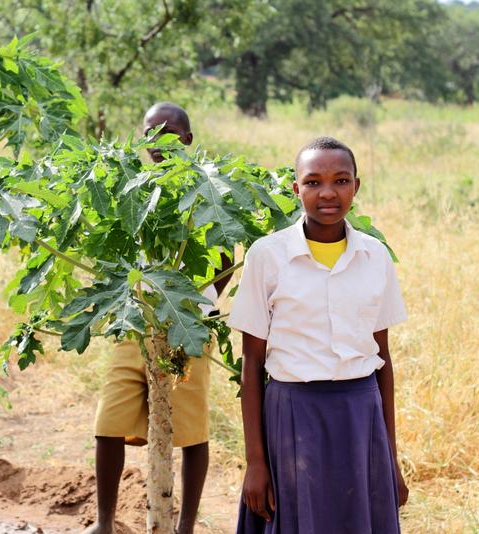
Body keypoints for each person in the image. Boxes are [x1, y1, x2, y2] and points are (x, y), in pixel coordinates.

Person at [231, 137, 409, 533]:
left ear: (356, 187)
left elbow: (383, 360)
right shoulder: (267, 256)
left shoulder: (374, 256)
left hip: (360, 415)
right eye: (313, 182)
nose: (327, 193)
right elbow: (253, 365)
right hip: (294, 414)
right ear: (296, 189)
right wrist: (256, 463)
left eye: (341, 180)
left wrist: (389, 460)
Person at [82, 102, 232, 534]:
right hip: (136, 321)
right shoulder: (133, 186)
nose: (157, 142)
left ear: (187, 139)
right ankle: (105, 523)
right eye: (149, 133)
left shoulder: (208, 187)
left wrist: (190, 302)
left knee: (191, 429)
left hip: (187, 326)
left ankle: (184, 527)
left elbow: (225, 259)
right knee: (108, 422)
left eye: (167, 133)